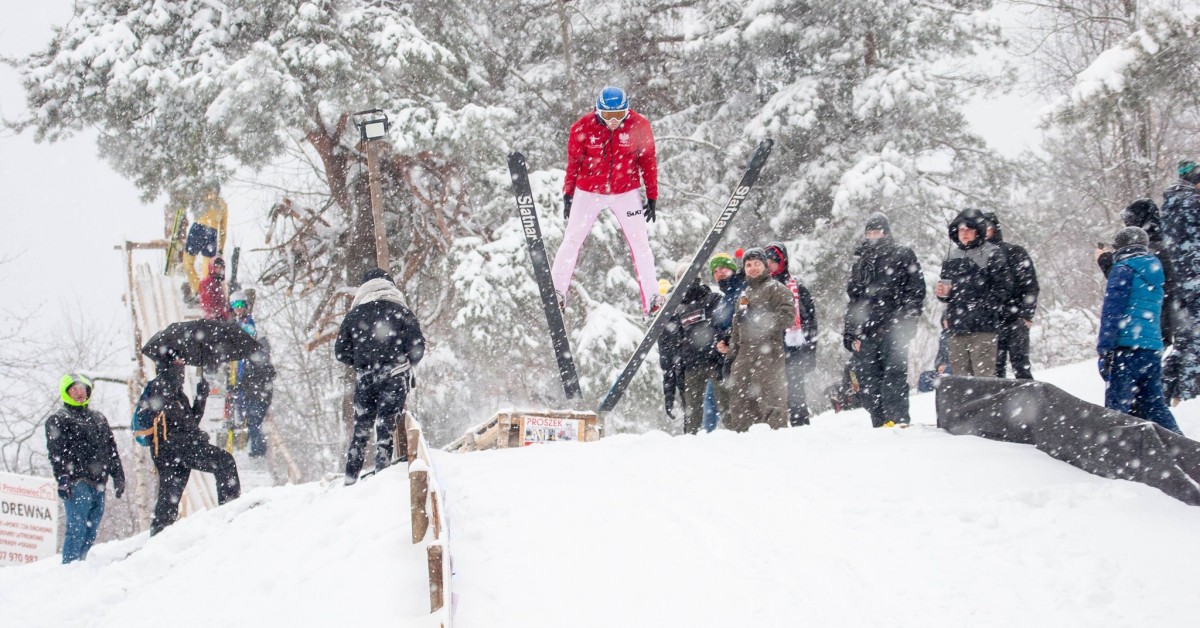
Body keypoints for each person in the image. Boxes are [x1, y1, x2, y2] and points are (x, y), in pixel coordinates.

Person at [554, 86, 662, 315]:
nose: (613, 121)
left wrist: (652, 196)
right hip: (589, 191)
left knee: (640, 244)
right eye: (608, 116)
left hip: (625, 191)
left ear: (627, 110)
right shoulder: (582, 127)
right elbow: (573, 163)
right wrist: (568, 193)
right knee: (572, 239)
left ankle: (652, 297)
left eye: (619, 115)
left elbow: (648, 161)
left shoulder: (639, 125)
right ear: (598, 111)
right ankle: (557, 290)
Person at [335, 268, 426, 485]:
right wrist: (403, 360)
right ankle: (382, 478)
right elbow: (418, 348)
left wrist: (361, 361)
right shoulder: (401, 311)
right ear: (390, 286)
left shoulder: (354, 315)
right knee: (385, 428)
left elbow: (340, 352)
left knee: (361, 429)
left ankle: (350, 479)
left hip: (365, 377)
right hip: (394, 375)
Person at [135, 351, 241, 535]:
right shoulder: (162, 387)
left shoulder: (177, 392)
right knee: (224, 462)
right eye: (177, 361)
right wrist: (196, 437)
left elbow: (190, 422)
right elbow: (179, 423)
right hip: (173, 448)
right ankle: (230, 512)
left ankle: (158, 535)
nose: (182, 365)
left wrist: (201, 398)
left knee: (170, 496)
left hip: (170, 450)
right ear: (167, 364)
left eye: (182, 361)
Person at [843, 213, 926, 427]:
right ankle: (879, 423)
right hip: (867, 331)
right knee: (868, 380)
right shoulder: (861, 263)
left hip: (894, 328)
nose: (873, 237)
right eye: (869, 233)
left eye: (877, 232)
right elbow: (854, 300)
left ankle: (898, 421)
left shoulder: (903, 254)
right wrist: (850, 332)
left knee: (895, 377)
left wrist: (907, 321)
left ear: (886, 233)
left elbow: (916, 291)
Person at [1097, 226, 1182, 434]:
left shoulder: (1123, 269)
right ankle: (1184, 450)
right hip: (1152, 348)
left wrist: (1105, 348)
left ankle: (1112, 452)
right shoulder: (1156, 271)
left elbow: (1112, 312)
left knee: (1118, 407)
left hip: (1126, 347)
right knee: (1155, 406)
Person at [45, 374, 125, 563]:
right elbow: (56, 453)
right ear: (66, 392)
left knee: (91, 528)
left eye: (83, 389)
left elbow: (111, 449)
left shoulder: (98, 418)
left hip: (99, 482)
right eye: (74, 389)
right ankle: (69, 568)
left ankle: (81, 567)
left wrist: (118, 475)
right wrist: (63, 479)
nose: (79, 393)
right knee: (77, 528)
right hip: (77, 481)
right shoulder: (59, 419)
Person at [717, 248, 795, 431]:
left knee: (771, 400)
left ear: (765, 266)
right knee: (740, 403)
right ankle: (745, 445)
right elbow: (737, 328)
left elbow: (788, 316)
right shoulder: (744, 295)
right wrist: (731, 355)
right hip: (744, 355)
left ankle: (777, 441)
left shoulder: (776, 289)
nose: (752, 268)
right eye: (748, 265)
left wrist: (763, 320)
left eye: (757, 264)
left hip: (769, 352)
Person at [935, 208, 1010, 376]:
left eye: (969, 229)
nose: (964, 233)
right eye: (961, 229)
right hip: (957, 329)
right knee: (961, 381)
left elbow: (1002, 289)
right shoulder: (950, 256)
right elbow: (947, 294)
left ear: (978, 231)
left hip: (983, 328)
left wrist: (979, 305)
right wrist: (942, 293)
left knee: (984, 381)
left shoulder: (992, 253)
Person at [657, 269, 722, 435]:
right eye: (683, 278)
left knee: (725, 408)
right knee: (693, 419)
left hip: (715, 363)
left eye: (692, 277)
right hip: (689, 367)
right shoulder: (674, 310)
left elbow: (723, 326)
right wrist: (669, 393)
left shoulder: (712, 299)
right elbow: (668, 353)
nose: (689, 282)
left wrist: (720, 349)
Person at [764, 242, 818, 426]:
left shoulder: (798, 288)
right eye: (767, 261)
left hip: (793, 349)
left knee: (795, 393)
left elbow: (810, 322)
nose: (770, 265)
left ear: (782, 262)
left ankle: (800, 428)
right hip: (769, 350)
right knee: (771, 394)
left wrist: (810, 350)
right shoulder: (760, 289)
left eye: (774, 261)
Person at [983, 212, 1039, 379]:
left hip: (1016, 320)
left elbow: (1031, 285)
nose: (984, 231)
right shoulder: (976, 257)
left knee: (1021, 367)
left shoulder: (1015, 252)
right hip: (990, 323)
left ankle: (1029, 402)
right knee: (995, 372)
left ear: (995, 229)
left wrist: (1026, 315)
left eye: (987, 227)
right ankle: (1002, 405)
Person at [1161, 160, 1200, 401]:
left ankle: (1166, 392)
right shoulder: (1194, 203)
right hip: (1197, 279)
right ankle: (1190, 396)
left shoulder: (1170, 205)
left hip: (1180, 282)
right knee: (1195, 342)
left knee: (1187, 340)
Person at [229, 292, 275, 457]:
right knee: (244, 412)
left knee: (254, 417)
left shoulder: (251, 325)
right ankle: (250, 445)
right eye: (236, 307)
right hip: (243, 371)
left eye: (241, 306)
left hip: (254, 384)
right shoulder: (233, 323)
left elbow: (263, 368)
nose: (239, 309)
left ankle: (257, 449)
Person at [705, 252, 745, 430]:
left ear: (732, 269)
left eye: (722, 268)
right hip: (727, 360)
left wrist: (729, 337)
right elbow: (718, 327)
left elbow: (745, 318)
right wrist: (720, 342)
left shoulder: (741, 287)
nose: (719, 273)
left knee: (743, 409)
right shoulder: (723, 299)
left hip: (745, 356)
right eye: (715, 271)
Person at [182, 184, 228, 299]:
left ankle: (198, 290)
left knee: (188, 263)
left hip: (198, 228)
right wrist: (221, 248)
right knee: (207, 268)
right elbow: (223, 229)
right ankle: (205, 291)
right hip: (212, 233)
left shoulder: (202, 197)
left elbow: (188, 202)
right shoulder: (222, 205)